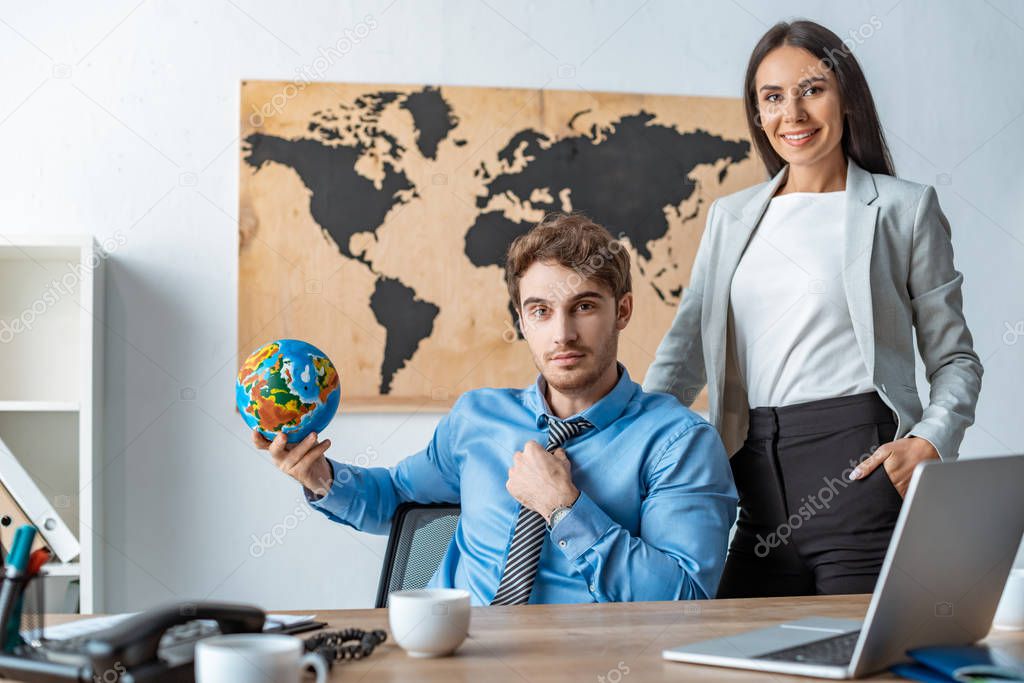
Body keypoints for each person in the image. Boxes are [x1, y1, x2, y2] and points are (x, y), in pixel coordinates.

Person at [643, 19, 982, 598]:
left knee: (863, 662)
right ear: (758, 113)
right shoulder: (731, 217)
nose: (792, 114)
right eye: (772, 97)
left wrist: (931, 440)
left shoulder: (903, 209)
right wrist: (633, 449)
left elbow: (955, 358)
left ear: (846, 96)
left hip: (858, 473)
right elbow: (682, 358)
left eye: (811, 89)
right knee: (736, 658)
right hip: (751, 481)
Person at [256, 213, 737, 606]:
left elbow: (684, 600)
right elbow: (397, 497)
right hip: (457, 656)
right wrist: (320, 478)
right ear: (522, 321)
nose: (563, 334)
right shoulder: (477, 418)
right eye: (541, 311)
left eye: (584, 306)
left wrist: (564, 508)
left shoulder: (679, 441)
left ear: (623, 311)